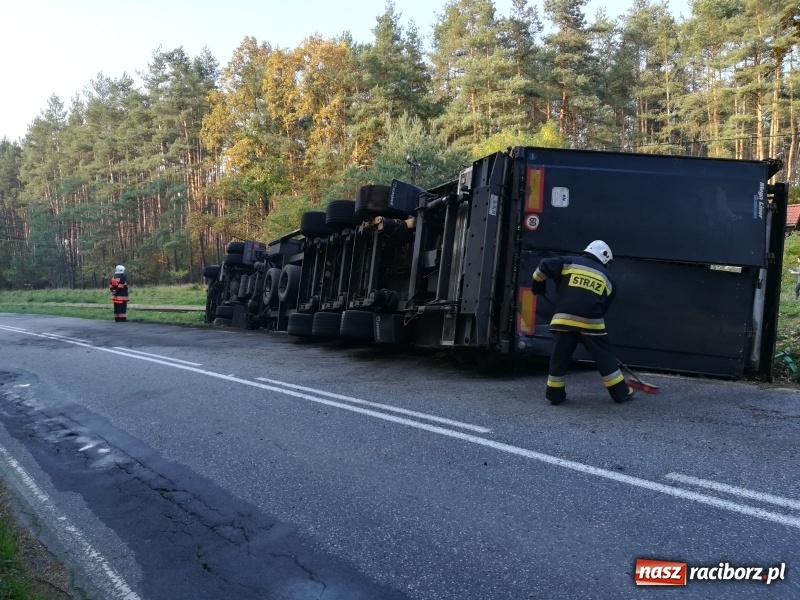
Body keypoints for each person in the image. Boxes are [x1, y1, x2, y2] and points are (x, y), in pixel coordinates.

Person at [531, 240, 634, 405]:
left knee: (559, 356)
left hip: (563, 319)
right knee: (604, 357)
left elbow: (544, 266)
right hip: (592, 323)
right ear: (605, 259)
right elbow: (604, 306)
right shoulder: (609, 278)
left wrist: (538, 284)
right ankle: (620, 393)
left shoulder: (568, 262)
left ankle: (554, 395)